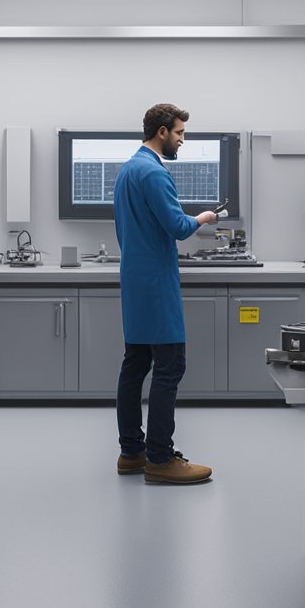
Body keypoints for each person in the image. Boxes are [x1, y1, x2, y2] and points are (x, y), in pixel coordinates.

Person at [112, 103, 219, 484]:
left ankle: (131, 452)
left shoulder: (127, 170)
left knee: (135, 365)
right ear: (161, 132)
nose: (182, 141)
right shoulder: (154, 172)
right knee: (170, 366)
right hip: (157, 285)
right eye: (179, 134)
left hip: (136, 281)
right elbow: (177, 226)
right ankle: (159, 457)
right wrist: (203, 218)